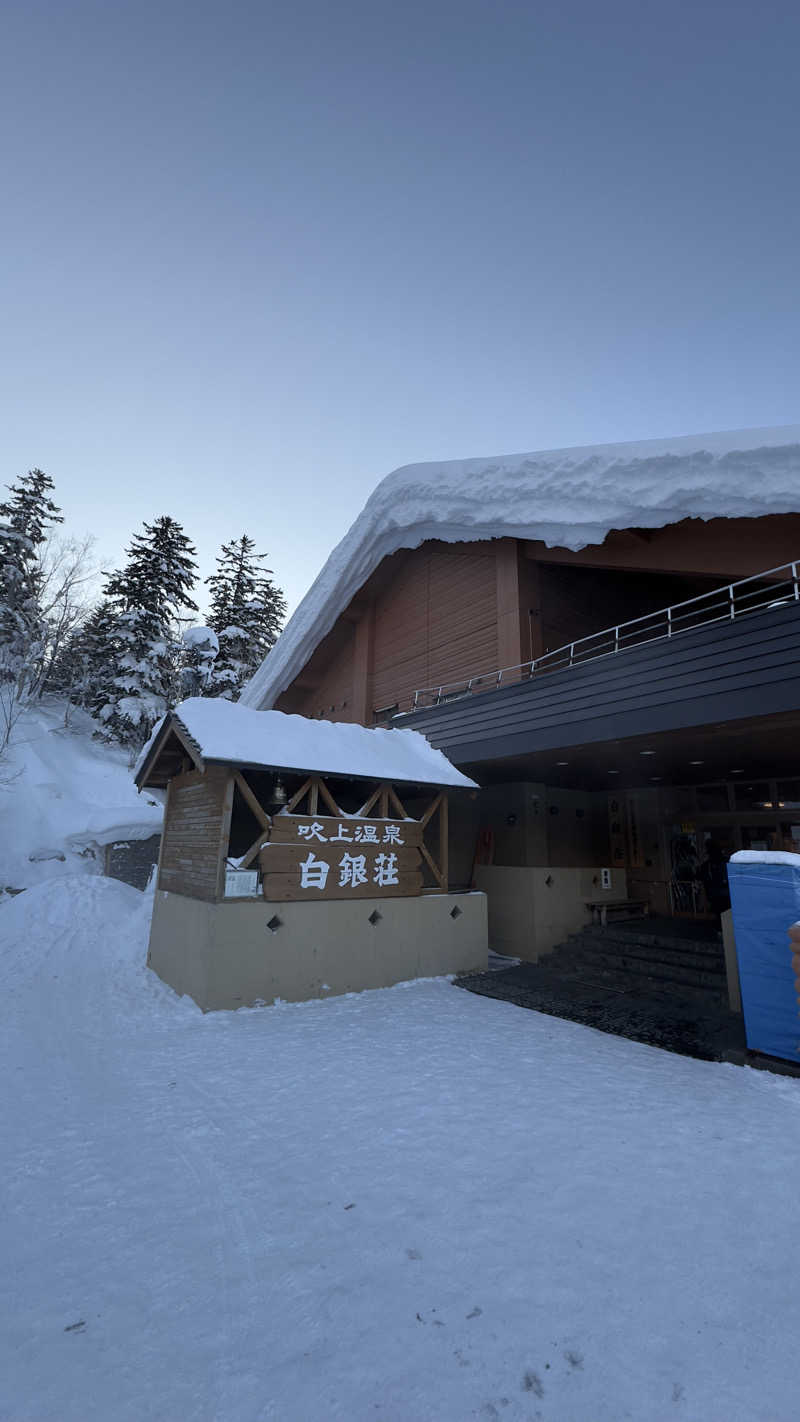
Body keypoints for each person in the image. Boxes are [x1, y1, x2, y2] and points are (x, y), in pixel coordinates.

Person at [699, 840, 731, 924]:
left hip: (715, 893)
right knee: (727, 914)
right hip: (726, 892)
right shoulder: (726, 861)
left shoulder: (707, 865)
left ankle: (721, 931)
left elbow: (703, 877)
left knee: (719, 914)